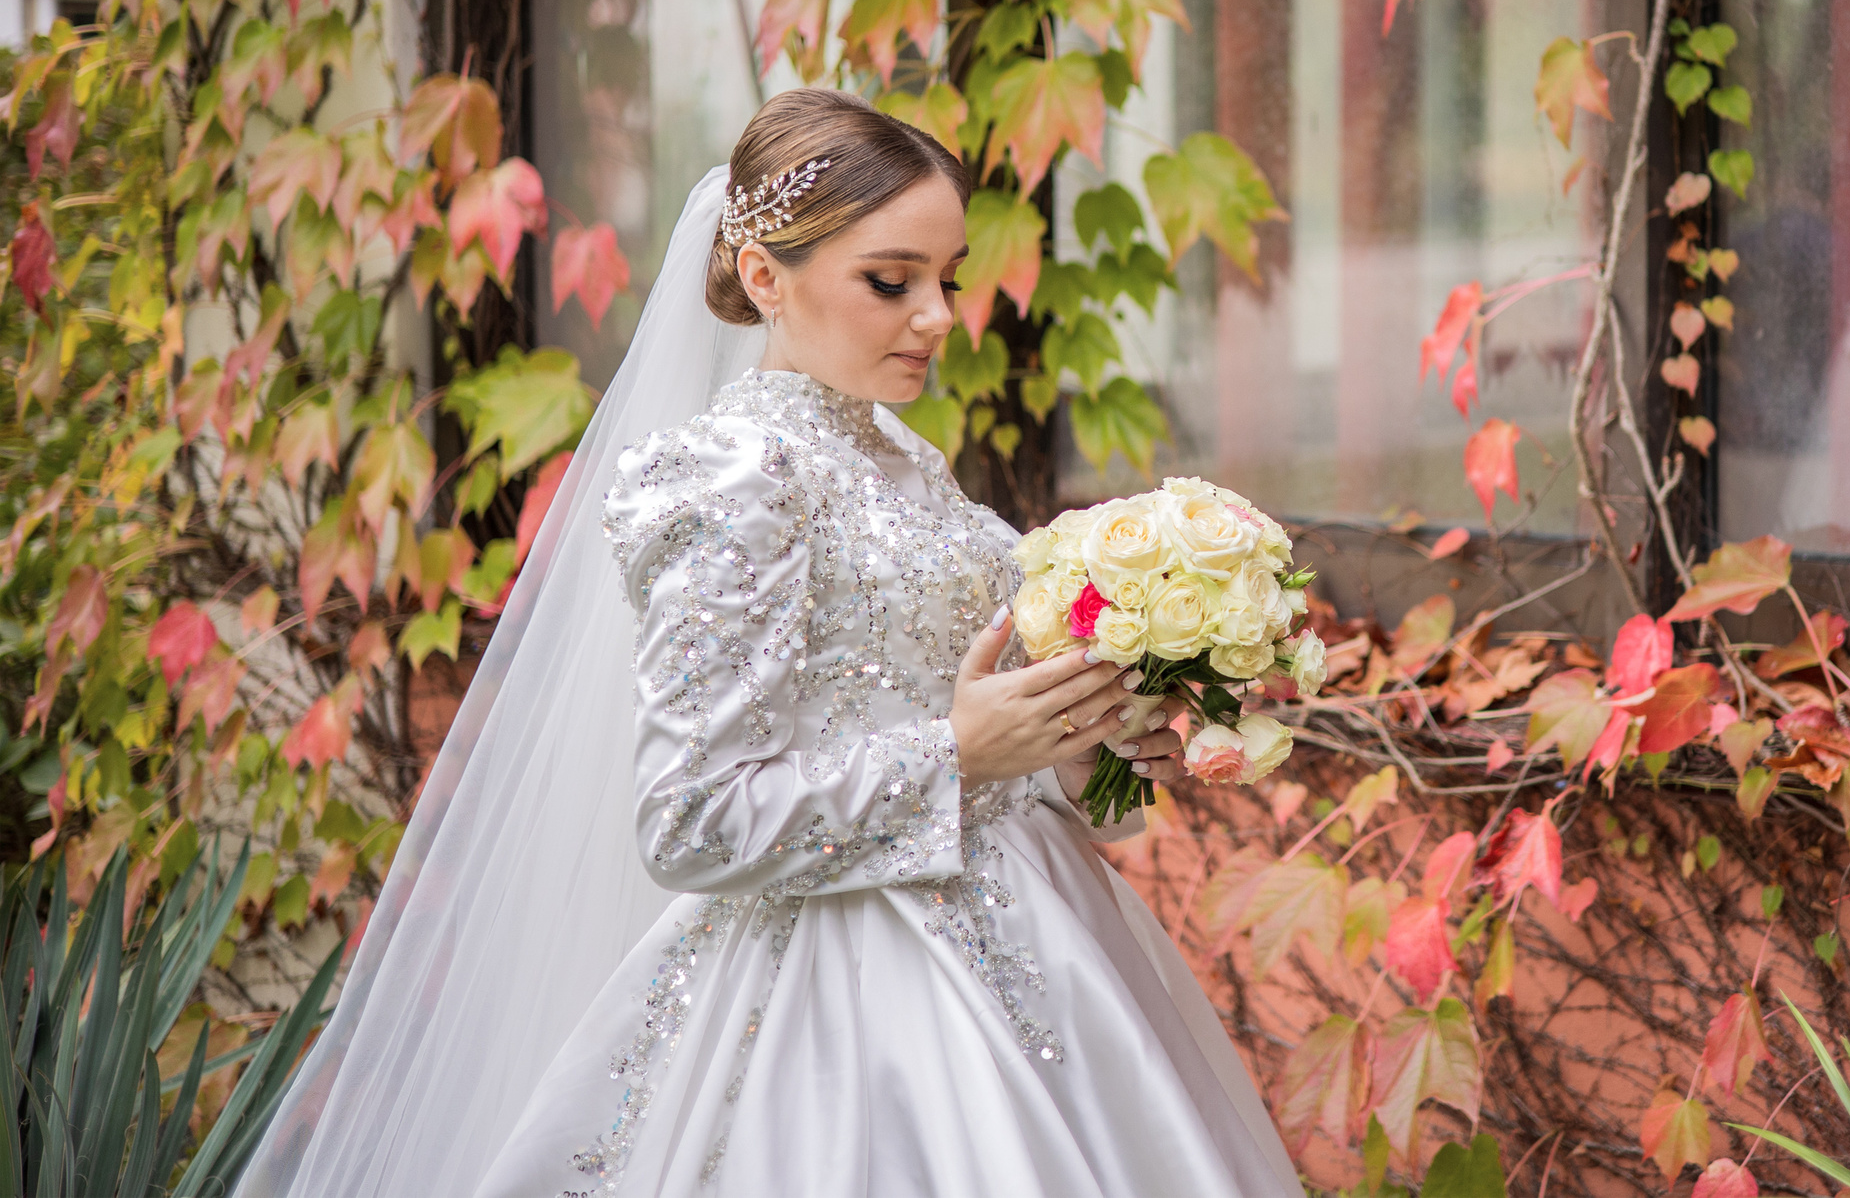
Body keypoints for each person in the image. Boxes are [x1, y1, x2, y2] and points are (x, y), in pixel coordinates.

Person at [234, 90, 1297, 1197]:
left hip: (1034, 944)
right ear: (762, 277)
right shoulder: (732, 478)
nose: (937, 315)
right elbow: (690, 820)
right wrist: (954, 755)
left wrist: (1075, 747)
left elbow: (945, 719)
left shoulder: (894, 453)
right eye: (893, 281)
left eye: (949, 279)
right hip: (836, 1009)